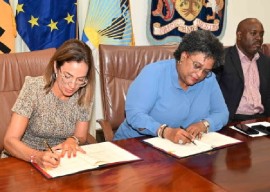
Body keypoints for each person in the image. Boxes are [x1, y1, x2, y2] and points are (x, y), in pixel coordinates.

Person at [114, 30, 229, 144]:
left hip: (180, 149)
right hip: (136, 144)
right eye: (197, 66)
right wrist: (165, 132)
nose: (199, 74)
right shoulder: (154, 73)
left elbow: (222, 113)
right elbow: (135, 114)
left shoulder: (209, 79)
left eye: (206, 71)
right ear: (184, 56)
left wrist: (204, 125)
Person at [2, 39, 95, 168]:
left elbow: (81, 135)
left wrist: (73, 140)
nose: (73, 85)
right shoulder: (34, 88)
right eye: (67, 76)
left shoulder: (84, 93)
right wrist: (37, 157)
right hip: (23, 159)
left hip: (60, 162)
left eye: (80, 80)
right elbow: (9, 141)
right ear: (56, 67)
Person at [217, 18, 270, 122]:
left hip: (262, 119)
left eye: (261, 34)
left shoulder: (266, 62)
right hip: (234, 120)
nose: (259, 38)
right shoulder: (222, 58)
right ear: (239, 35)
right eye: (253, 33)